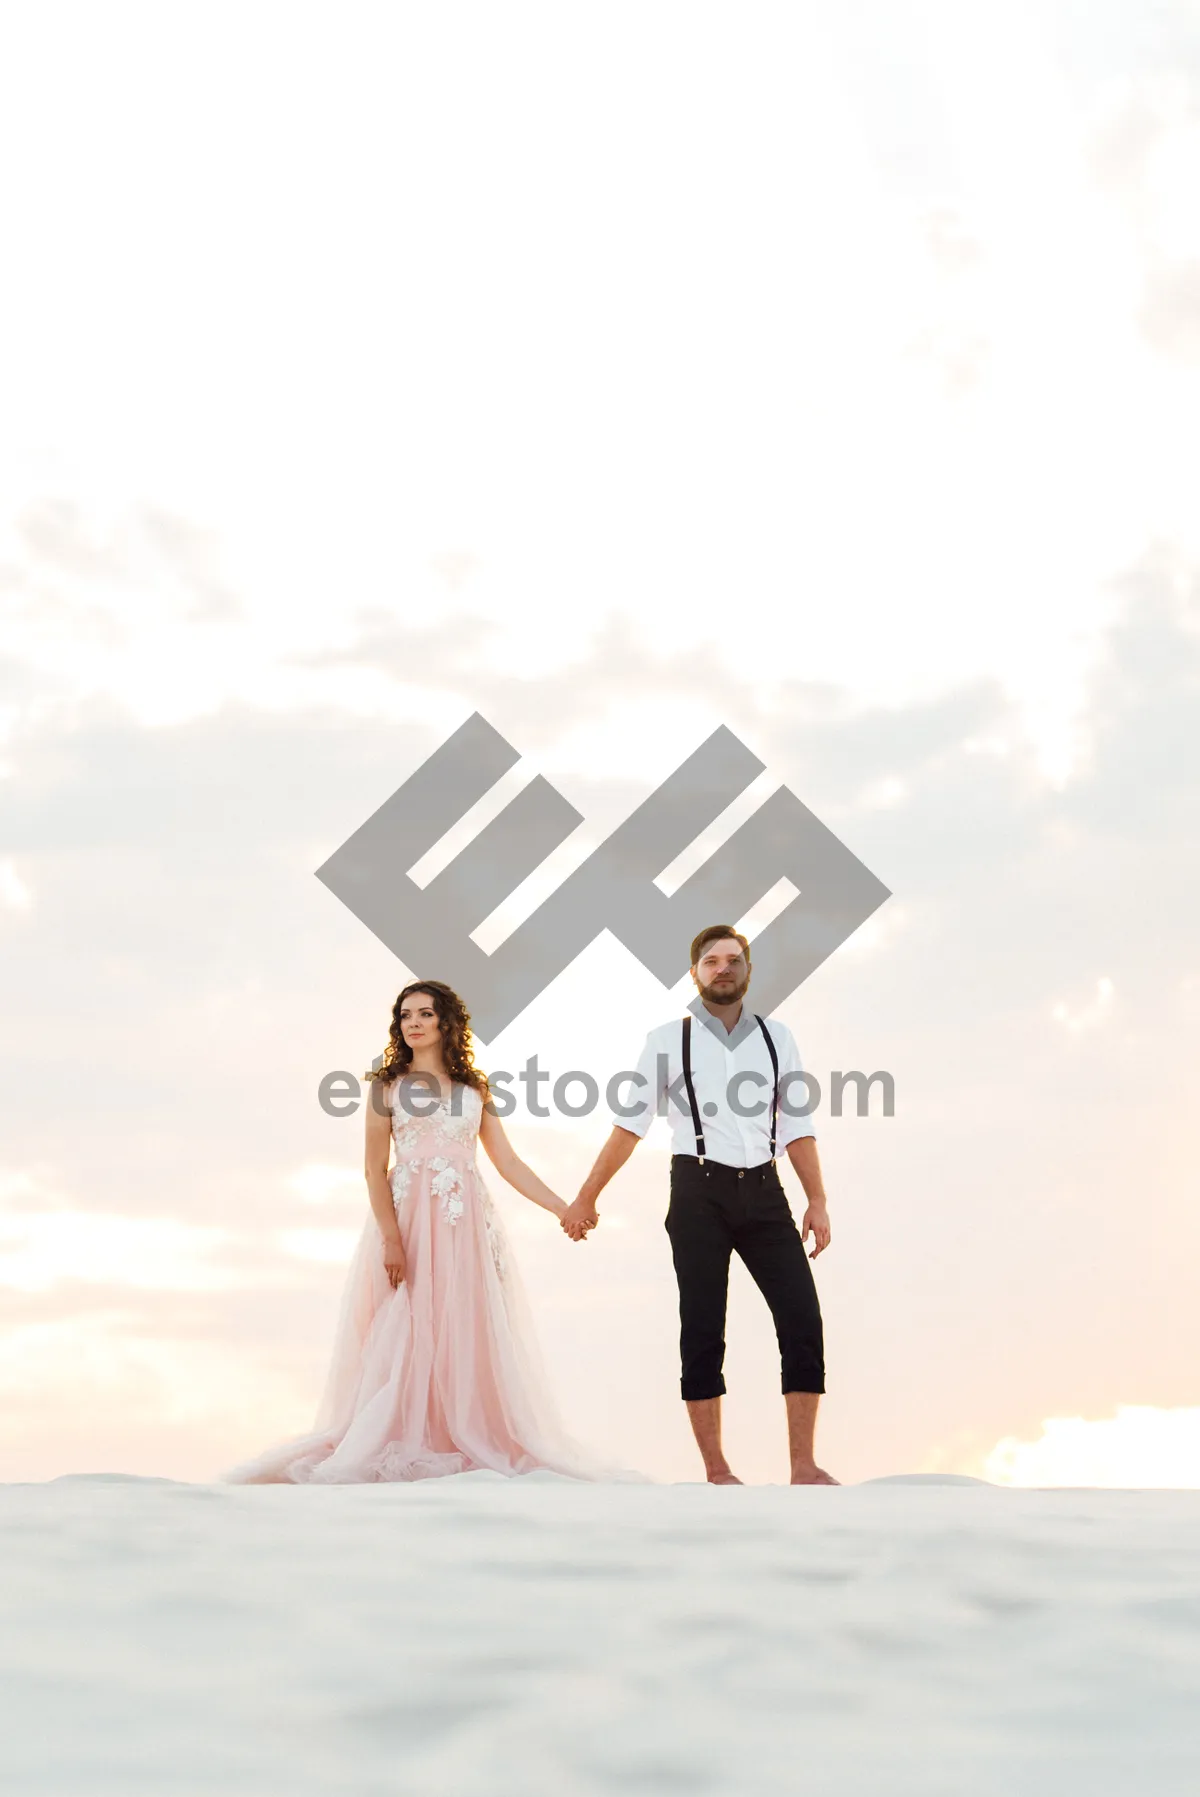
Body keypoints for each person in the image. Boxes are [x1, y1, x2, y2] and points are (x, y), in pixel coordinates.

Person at [221, 979, 612, 1484]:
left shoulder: (475, 1090)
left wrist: (563, 1208)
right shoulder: (387, 1088)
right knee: (407, 1324)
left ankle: (462, 1433)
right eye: (405, 1015)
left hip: (464, 1222)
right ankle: (404, 1433)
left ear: (447, 1022)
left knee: (463, 1327)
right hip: (409, 1219)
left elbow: (508, 1162)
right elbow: (373, 1168)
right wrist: (390, 1238)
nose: (414, 1023)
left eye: (425, 1014)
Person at [561, 925, 837, 1486]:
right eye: (711, 961)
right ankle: (716, 1469)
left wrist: (818, 1199)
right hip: (696, 1191)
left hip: (765, 1191)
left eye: (733, 960)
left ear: (748, 972)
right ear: (694, 974)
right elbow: (629, 1125)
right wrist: (586, 1197)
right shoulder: (666, 1040)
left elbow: (797, 1125)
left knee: (802, 1319)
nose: (723, 969)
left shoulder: (776, 1036)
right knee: (703, 1327)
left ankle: (804, 1465)